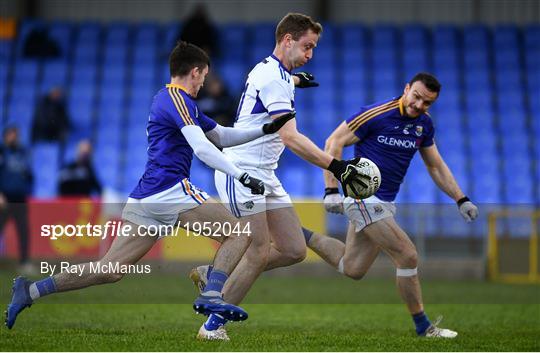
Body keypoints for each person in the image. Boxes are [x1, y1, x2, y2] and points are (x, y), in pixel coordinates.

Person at [5, 41, 296, 330]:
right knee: (237, 232)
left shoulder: (174, 102)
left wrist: (264, 129)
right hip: (169, 189)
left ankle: (30, 290)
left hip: (148, 194)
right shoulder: (177, 100)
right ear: (194, 72)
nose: (203, 84)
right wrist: (241, 175)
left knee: (109, 269)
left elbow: (219, 136)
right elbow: (203, 148)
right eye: (203, 77)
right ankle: (211, 292)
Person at [191, 13, 359, 340]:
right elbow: (291, 137)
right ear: (287, 40)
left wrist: (296, 81)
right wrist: (337, 167)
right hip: (242, 172)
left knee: (294, 249)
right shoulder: (273, 77)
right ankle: (212, 326)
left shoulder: (274, 72)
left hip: (265, 173)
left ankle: (216, 273)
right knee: (258, 250)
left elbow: (273, 82)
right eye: (307, 47)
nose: (310, 54)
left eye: (314, 48)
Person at [306, 73, 479, 338]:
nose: (419, 105)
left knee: (352, 268)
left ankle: (297, 234)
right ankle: (424, 327)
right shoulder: (374, 114)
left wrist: (461, 198)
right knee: (407, 255)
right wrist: (330, 189)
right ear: (406, 89)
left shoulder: (424, 125)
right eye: (417, 96)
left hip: (384, 202)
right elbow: (334, 142)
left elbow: (435, 165)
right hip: (362, 196)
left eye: (427, 102)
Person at [0, 127, 34, 275]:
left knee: (24, 231)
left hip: (20, 198)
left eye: (16, 135)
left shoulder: (22, 153)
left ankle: (24, 262)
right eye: (11, 135)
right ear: (5, 136)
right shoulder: (2, 152)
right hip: (4, 198)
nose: (14, 138)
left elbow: (28, 174)